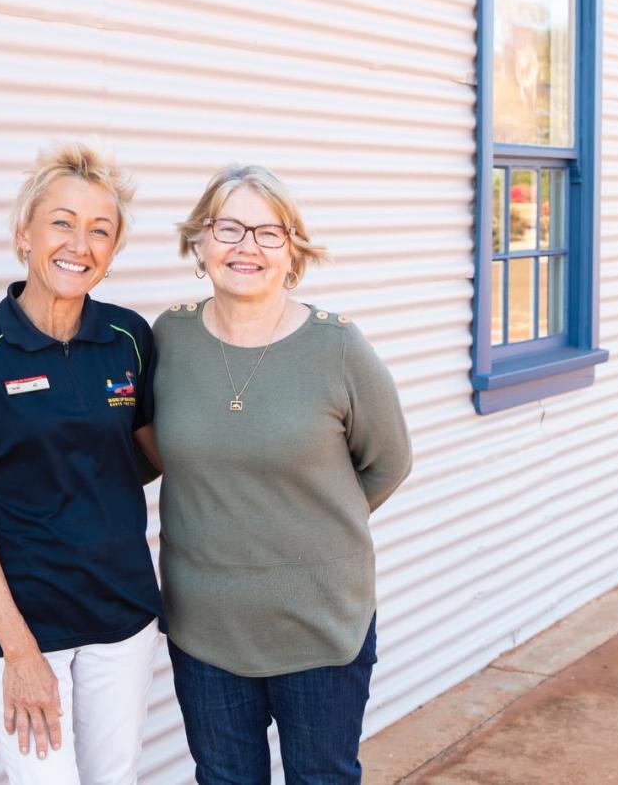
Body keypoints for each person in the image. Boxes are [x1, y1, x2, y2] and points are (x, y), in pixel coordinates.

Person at [0, 141, 164, 785]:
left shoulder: (129, 338)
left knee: (114, 778)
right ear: (24, 234)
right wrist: (19, 652)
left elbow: (154, 454)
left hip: (122, 614)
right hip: (25, 623)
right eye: (62, 222)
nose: (80, 244)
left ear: (113, 250)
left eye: (100, 230)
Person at [151, 164, 412, 784]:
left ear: (292, 249)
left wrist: (313, 527)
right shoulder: (169, 338)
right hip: (205, 627)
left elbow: (389, 462)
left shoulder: (338, 348)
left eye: (268, 232)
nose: (247, 247)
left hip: (319, 625)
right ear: (201, 240)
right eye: (229, 228)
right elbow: (156, 451)